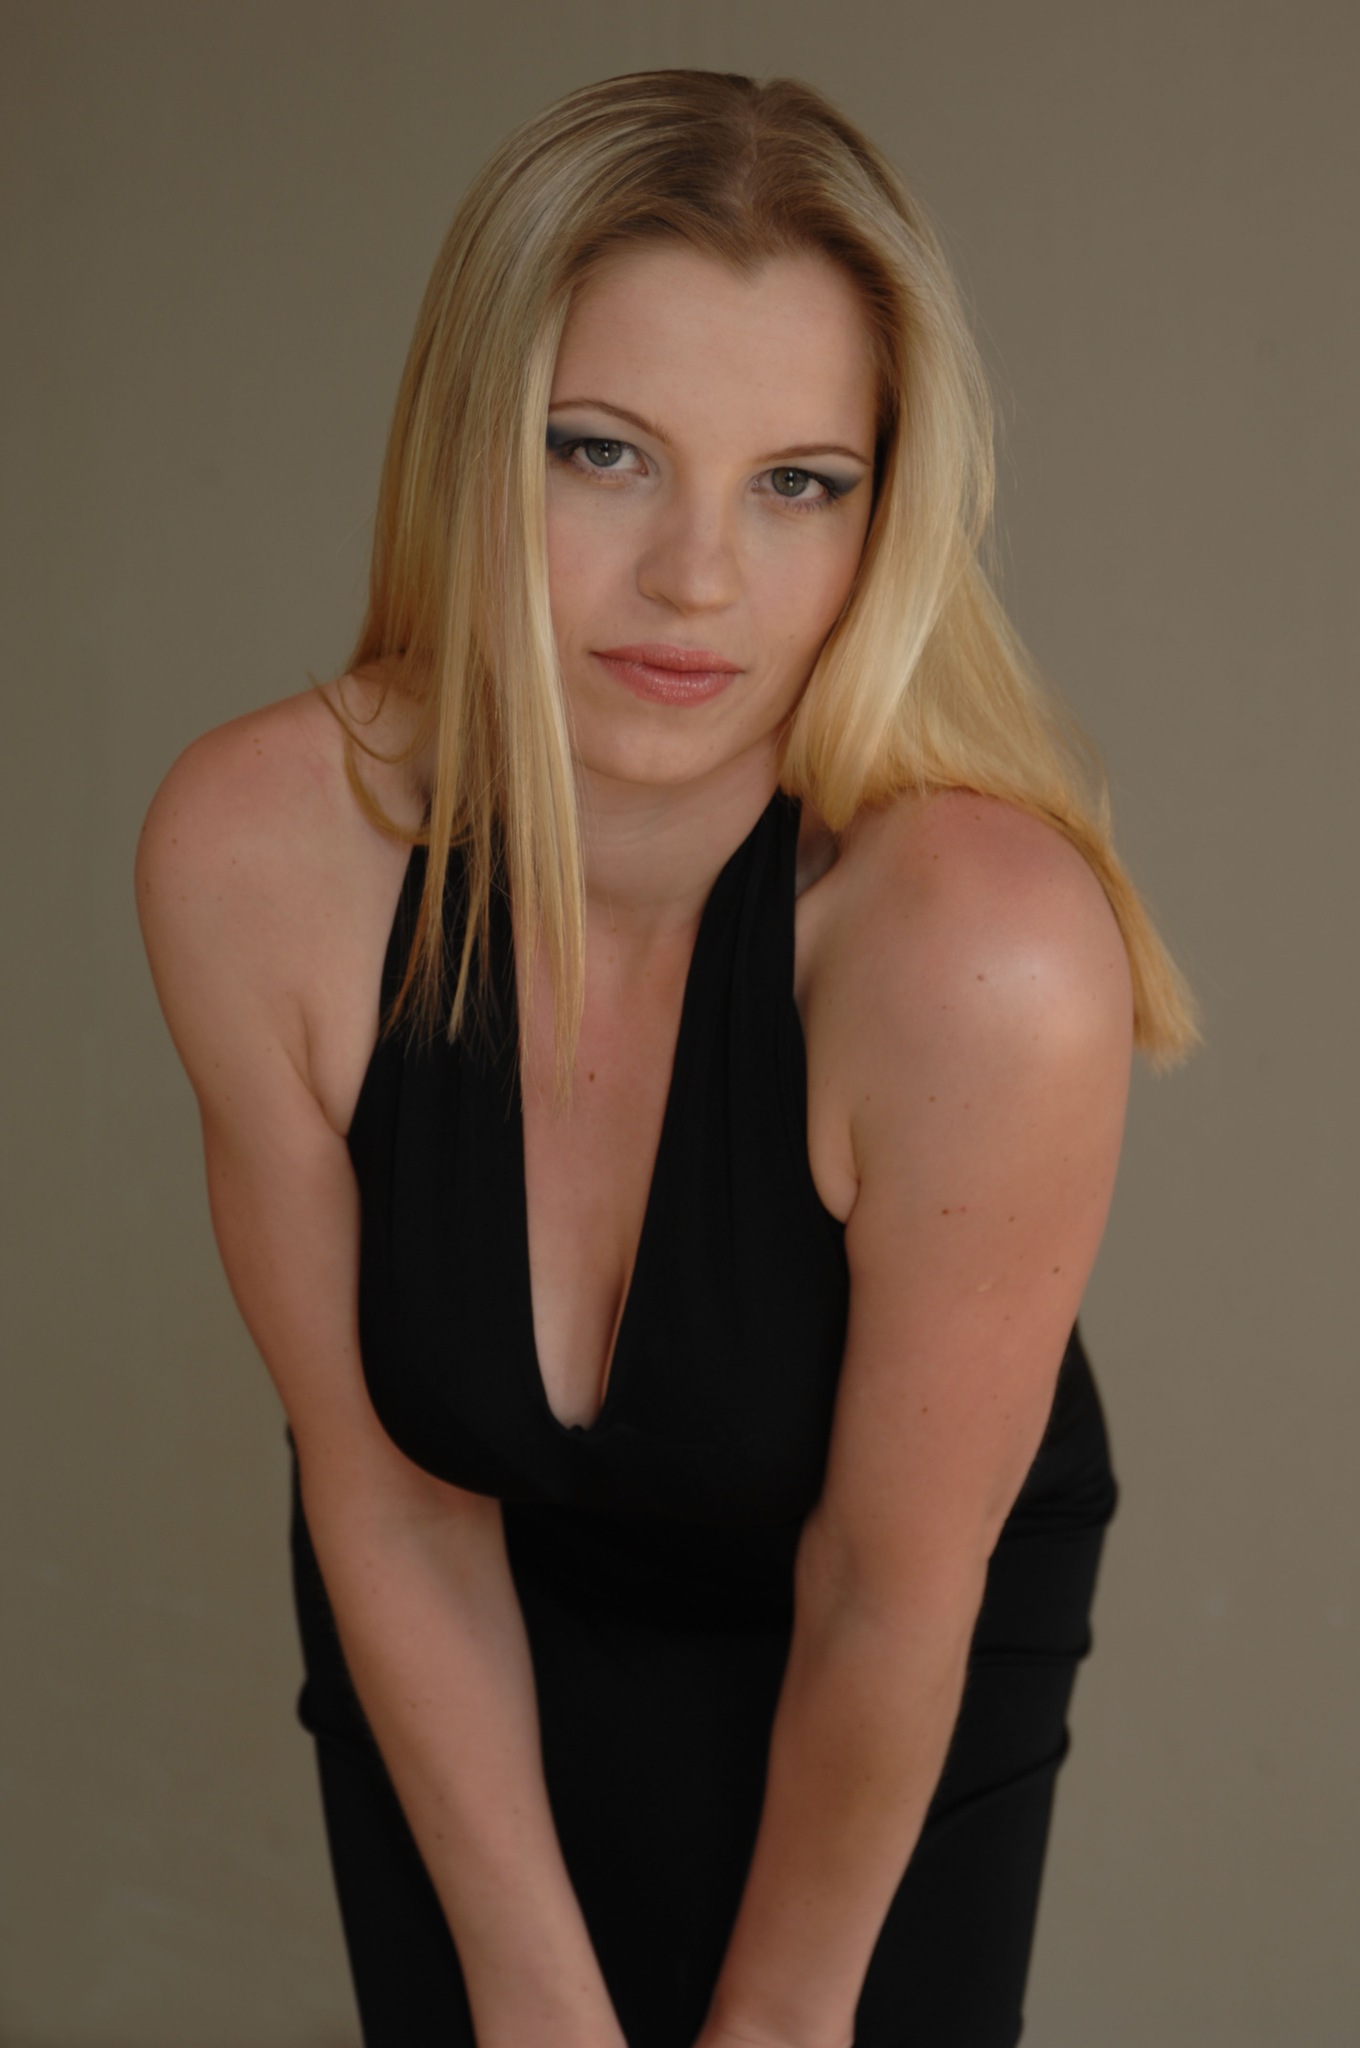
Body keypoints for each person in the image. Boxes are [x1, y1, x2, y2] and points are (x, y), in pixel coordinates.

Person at [136, 68, 1196, 2048]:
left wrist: (775, 2026)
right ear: (472, 442)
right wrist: (528, 1993)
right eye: (604, 453)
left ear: (887, 512)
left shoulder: (980, 958)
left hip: (882, 1638)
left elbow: (886, 1586)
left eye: (800, 481)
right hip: (444, 1620)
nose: (696, 576)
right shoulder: (259, 858)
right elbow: (389, 1502)